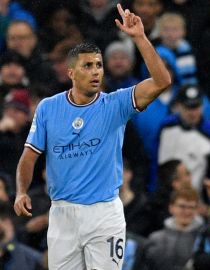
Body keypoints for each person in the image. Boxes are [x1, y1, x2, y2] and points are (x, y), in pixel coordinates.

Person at [13, 4, 171, 269]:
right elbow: (29, 156)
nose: (96, 71)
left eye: (99, 65)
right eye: (88, 66)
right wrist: (20, 191)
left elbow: (162, 81)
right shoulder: (49, 108)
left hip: (103, 213)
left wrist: (140, 39)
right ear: (71, 73)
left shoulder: (116, 105)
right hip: (62, 213)